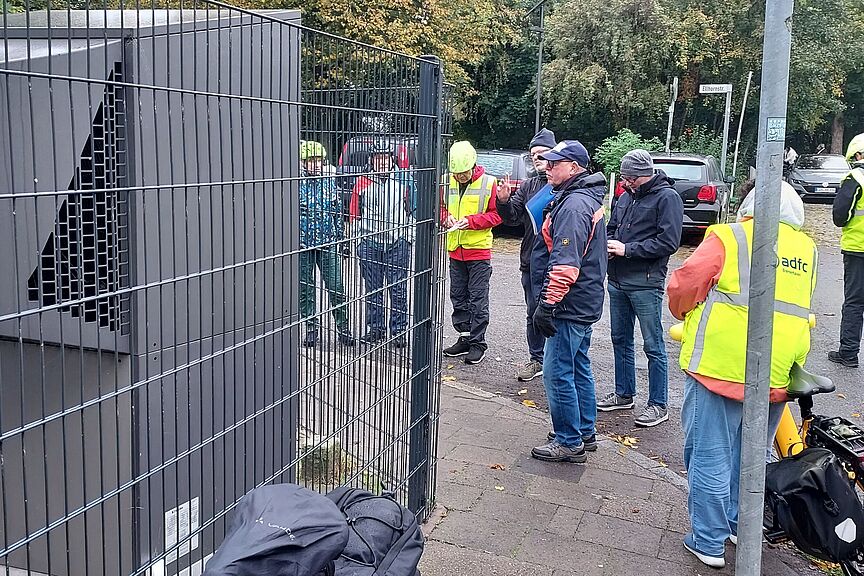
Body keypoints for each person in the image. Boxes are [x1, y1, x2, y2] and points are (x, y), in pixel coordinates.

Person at [667, 182, 817, 568]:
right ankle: (739, 525)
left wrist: (683, 313)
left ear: (749, 206)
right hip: (779, 372)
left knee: (709, 456)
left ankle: (708, 541)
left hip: (720, 367)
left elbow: (685, 284)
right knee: (750, 456)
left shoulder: (730, 236)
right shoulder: (808, 249)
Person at [529, 140, 608, 464]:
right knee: (578, 365)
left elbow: (565, 265)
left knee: (557, 371)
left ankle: (569, 440)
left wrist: (547, 304)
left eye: (554, 163)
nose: (547, 167)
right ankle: (584, 432)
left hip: (570, 303)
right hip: (584, 300)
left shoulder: (574, 205)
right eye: (546, 162)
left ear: (573, 168)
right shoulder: (582, 198)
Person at [599, 150, 683, 427]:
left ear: (643, 175)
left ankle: (658, 404)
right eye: (624, 177)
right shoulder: (625, 196)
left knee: (653, 345)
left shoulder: (667, 198)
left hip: (646, 282)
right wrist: (609, 245)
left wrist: (627, 250)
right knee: (619, 339)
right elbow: (611, 227)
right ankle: (624, 394)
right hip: (618, 279)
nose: (625, 182)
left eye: (629, 178)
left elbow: (669, 242)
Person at [496, 128, 557, 381]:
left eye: (542, 154)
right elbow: (511, 218)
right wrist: (503, 201)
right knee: (533, 312)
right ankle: (536, 359)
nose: (537, 159)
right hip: (530, 261)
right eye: (533, 155)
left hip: (556, 262)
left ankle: (556, 361)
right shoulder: (530, 185)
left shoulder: (563, 186)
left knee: (554, 312)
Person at [349, 142, 416, 348]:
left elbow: (414, 211)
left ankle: (398, 331)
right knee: (373, 289)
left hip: (397, 242)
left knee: (398, 290)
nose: (381, 162)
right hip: (370, 242)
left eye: (385, 157)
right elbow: (354, 215)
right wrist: (358, 241)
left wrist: (408, 238)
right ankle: (375, 329)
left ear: (392, 159)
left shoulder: (405, 180)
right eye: (377, 158)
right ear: (372, 160)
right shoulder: (362, 182)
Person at [442, 141, 503, 365]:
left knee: (478, 299)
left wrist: (471, 222)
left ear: (473, 166)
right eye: (456, 173)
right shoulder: (446, 181)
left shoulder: (489, 183)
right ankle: (465, 337)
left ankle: (478, 343)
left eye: (463, 173)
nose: (460, 177)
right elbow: (440, 207)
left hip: (478, 251)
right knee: (458, 296)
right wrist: (444, 217)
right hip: (455, 249)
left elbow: (497, 215)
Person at [298, 140, 355, 347]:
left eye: (318, 160)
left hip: (327, 242)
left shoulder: (329, 182)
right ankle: (311, 328)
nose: (315, 165)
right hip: (302, 245)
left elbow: (337, 213)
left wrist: (343, 241)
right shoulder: (295, 183)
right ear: (303, 162)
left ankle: (344, 328)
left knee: (336, 286)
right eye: (310, 161)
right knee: (305, 289)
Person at [829, 133, 864, 368]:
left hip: (858, 249)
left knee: (855, 301)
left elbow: (840, 216)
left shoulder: (856, 178)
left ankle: (849, 353)